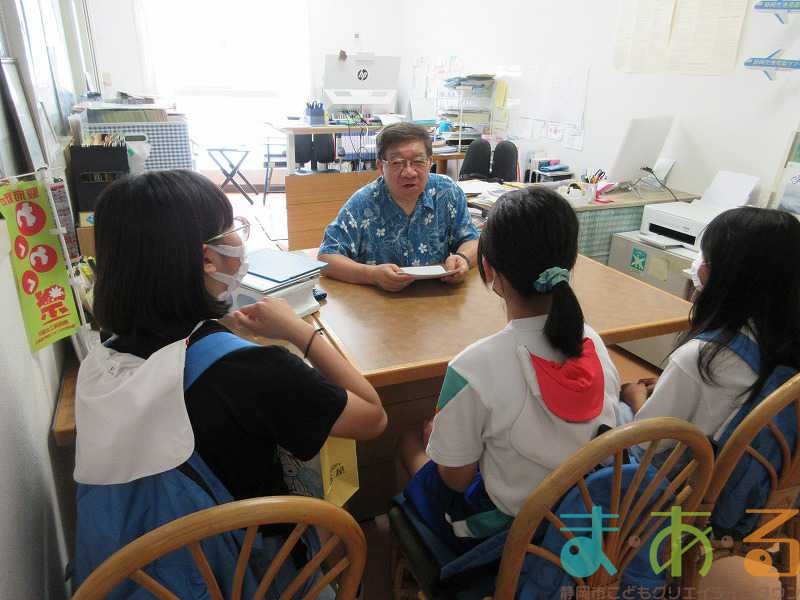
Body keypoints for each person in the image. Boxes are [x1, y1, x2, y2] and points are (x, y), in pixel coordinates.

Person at [74, 171, 387, 584]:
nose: (239, 239)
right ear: (208, 258)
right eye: (231, 227)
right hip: (246, 578)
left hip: (133, 574)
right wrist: (299, 331)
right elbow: (372, 416)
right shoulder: (249, 370)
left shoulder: (102, 361)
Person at [397, 187, 623, 553]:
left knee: (409, 440)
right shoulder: (593, 343)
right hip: (583, 516)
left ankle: (424, 557)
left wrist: (446, 440)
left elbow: (455, 481)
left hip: (512, 536)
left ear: (488, 270)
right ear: (571, 262)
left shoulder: (471, 368)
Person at [620, 207, 800, 438]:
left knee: (614, 407)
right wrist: (678, 384)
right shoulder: (784, 337)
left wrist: (634, 397)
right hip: (765, 459)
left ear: (720, 274)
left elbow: (646, 441)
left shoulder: (702, 357)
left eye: (706, 258)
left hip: (693, 461)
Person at [317, 122, 479, 292]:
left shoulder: (446, 192)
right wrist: (371, 275)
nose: (409, 172)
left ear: (430, 162)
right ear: (381, 166)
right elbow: (326, 257)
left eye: (418, 161)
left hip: (438, 299)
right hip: (380, 302)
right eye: (397, 162)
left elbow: (472, 240)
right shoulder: (363, 203)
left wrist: (463, 258)